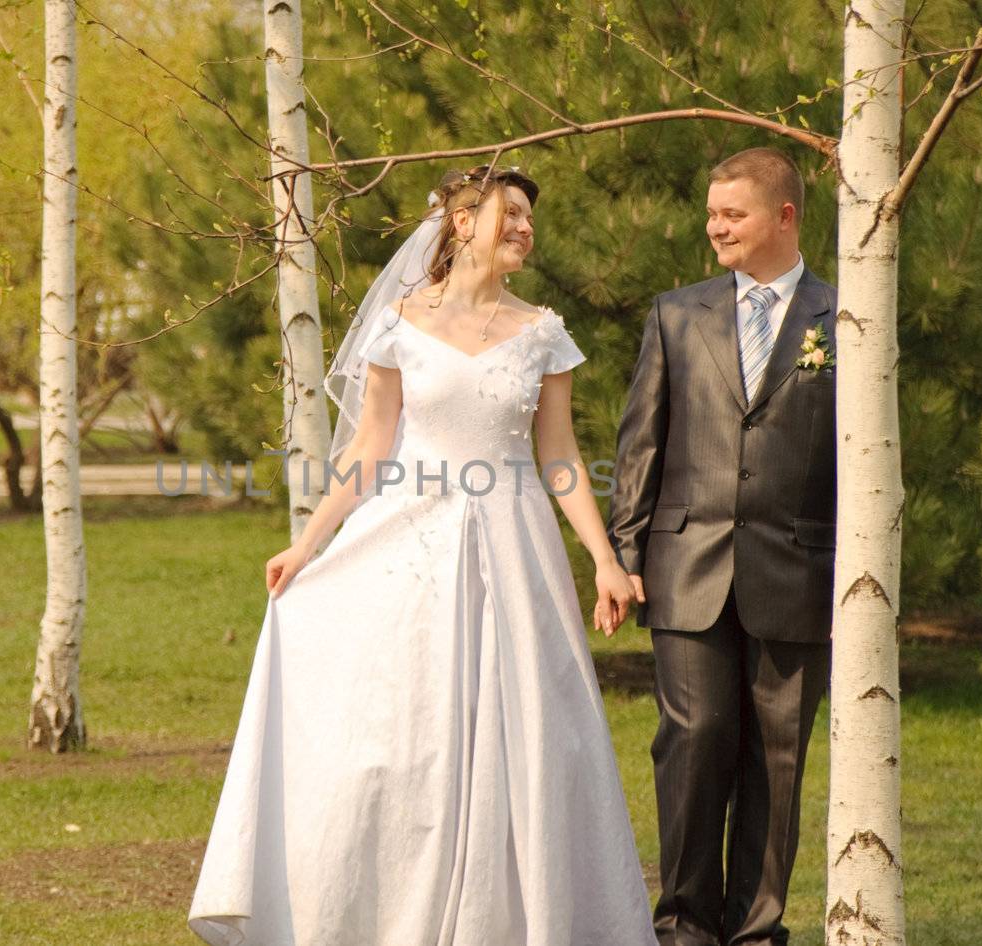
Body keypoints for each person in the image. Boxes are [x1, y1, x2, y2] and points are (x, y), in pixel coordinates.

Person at [188, 165, 655, 945]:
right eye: (511, 214)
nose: (524, 230)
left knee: (530, 734)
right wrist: (308, 543)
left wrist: (604, 560)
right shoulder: (400, 324)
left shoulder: (543, 331)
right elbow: (369, 449)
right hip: (408, 545)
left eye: (530, 220)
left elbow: (562, 458)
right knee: (401, 743)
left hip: (515, 549)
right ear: (461, 223)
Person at [607, 147, 837, 946]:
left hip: (801, 571)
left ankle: (758, 932)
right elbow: (641, 442)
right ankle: (683, 926)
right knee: (696, 739)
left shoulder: (844, 320)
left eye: (731, 214)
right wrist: (625, 554)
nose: (715, 228)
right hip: (687, 565)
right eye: (711, 214)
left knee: (777, 760)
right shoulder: (677, 314)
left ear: (784, 216)